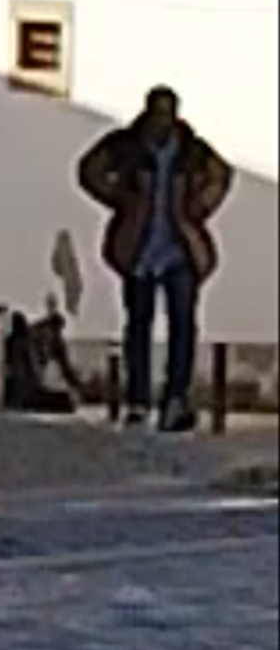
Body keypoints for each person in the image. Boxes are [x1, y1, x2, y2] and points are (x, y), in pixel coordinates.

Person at [76, 84, 230, 430]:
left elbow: (221, 176)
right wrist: (119, 198)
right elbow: (89, 170)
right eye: (157, 113)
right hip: (138, 248)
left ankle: (176, 398)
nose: (162, 121)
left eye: (167, 113)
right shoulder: (127, 146)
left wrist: (200, 207)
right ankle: (139, 400)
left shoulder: (191, 150)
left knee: (182, 325)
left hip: (181, 247)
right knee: (139, 325)